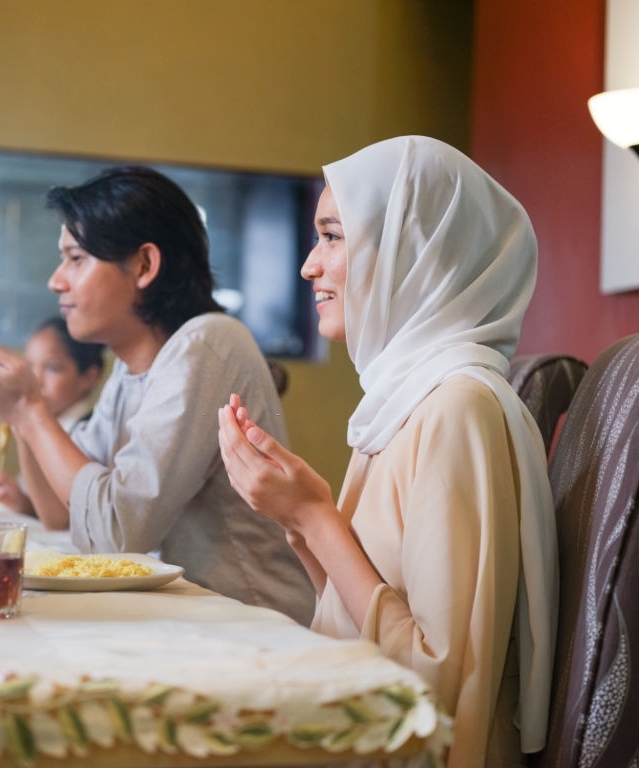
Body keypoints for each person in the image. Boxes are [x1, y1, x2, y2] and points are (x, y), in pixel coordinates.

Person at [217, 136, 558, 766]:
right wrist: (298, 521)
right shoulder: (402, 400)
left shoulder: (457, 408)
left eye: (334, 236)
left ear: (415, 248)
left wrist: (317, 517)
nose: (309, 266)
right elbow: (361, 620)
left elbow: (436, 687)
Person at [0, 166, 315, 624]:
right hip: (185, 618)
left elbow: (114, 533)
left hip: (248, 623)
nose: (57, 280)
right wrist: (21, 414)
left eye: (76, 258)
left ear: (143, 265)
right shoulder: (129, 368)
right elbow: (60, 512)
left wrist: (29, 409)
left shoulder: (207, 343)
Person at [0, 315, 105, 513]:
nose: (36, 380)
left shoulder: (89, 432)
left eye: (53, 368)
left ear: (89, 376)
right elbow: (35, 498)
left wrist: (24, 504)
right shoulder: (46, 423)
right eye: (30, 367)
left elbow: (66, 515)